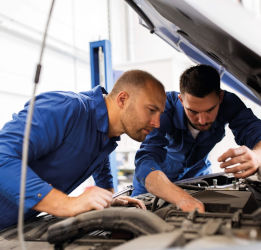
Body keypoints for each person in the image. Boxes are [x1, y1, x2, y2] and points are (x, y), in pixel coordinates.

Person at [0, 69, 167, 230]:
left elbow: (101, 171)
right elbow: (2, 156)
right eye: (151, 110)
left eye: (160, 113)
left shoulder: (105, 137)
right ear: (122, 99)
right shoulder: (66, 108)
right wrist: (66, 203)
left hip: (14, 227)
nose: (157, 123)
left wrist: (108, 202)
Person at [133, 64, 261, 212]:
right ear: (181, 100)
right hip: (155, 184)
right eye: (193, 111)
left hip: (197, 180)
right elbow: (145, 160)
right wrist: (181, 198)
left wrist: (256, 156)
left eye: (209, 110)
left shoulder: (229, 103)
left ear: (220, 98)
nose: (202, 120)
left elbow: (255, 132)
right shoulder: (162, 109)